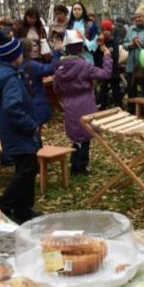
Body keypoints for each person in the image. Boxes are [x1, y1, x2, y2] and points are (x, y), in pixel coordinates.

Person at [0, 34, 41, 223]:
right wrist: (30, 125)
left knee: (27, 168)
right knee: (27, 169)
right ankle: (3, 205)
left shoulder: (6, 72)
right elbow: (12, 107)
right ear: (15, 56)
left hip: (14, 131)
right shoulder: (9, 78)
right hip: (17, 132)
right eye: (20, 54)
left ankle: (22, 210)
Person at [53, 30, 113, 175]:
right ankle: (81, 167)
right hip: (85, 102)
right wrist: (107, 58)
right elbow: (105, 74)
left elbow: (56, 88)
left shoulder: (59, 67)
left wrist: (64, 98)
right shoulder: (85, 65)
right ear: (81, 48)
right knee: (85, 135)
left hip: (70, 103)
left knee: (76, 134)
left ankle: (75, 166)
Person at [20, 38, 55, 136]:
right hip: (35, 105)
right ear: (30, 50)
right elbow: (51, 68)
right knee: (34, 134)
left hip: (21, 105)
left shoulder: (14, 65)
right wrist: (56, 53)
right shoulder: (31, 65)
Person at [97, 20, 122, 109]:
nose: (104, 32)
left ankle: (119, 106)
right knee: (103, 90)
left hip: (113, 70)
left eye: (106, 30)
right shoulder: (101, 41)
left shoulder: (114, 41)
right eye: (103, 30)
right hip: (103, 69)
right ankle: (103, 106)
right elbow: (98, 56)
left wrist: (107, 51)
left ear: (111, 31)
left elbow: (115, 55)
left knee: (116, 90)